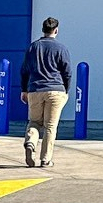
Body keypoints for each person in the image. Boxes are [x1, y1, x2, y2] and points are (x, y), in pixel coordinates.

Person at [21, 15, 74, 168]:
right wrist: (65, 89)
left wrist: (24, 90)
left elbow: (24, 70)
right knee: (50, 126)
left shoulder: (33, 47)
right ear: (56, 31)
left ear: (43, 30)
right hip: (55, 90)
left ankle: (30, 142)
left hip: (35, 89)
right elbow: (67, 72)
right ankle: (45, 159)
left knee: (34, 122)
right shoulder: (61, 48)